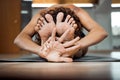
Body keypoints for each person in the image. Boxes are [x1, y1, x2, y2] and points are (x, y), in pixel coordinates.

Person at [14, 4, 108, 62]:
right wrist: (41, 50)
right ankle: (60, 45)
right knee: (83, 49)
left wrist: (75, 45)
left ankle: (49, 42)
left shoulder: (42, 16)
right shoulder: (42, 15)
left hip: (68, 36)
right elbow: (101, 32)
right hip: (68, 35)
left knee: (80, 46)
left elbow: (19, 39)